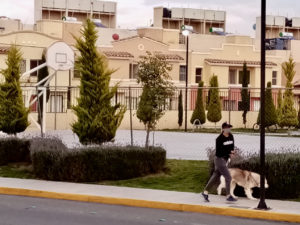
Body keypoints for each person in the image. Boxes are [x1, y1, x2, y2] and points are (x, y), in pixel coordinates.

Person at [201, 122, 237, 202]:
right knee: (228, 177)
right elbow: (219, 152)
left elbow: (232, 146)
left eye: (230, 127)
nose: (229, 129)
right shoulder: (219, 139)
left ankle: (205, 192)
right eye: (227, 128)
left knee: (216, 175)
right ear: (223, 129)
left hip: (225, 160)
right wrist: (229, 153)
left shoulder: (231, 136)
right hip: (219, 159)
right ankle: (228, 196)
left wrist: (232, 152)